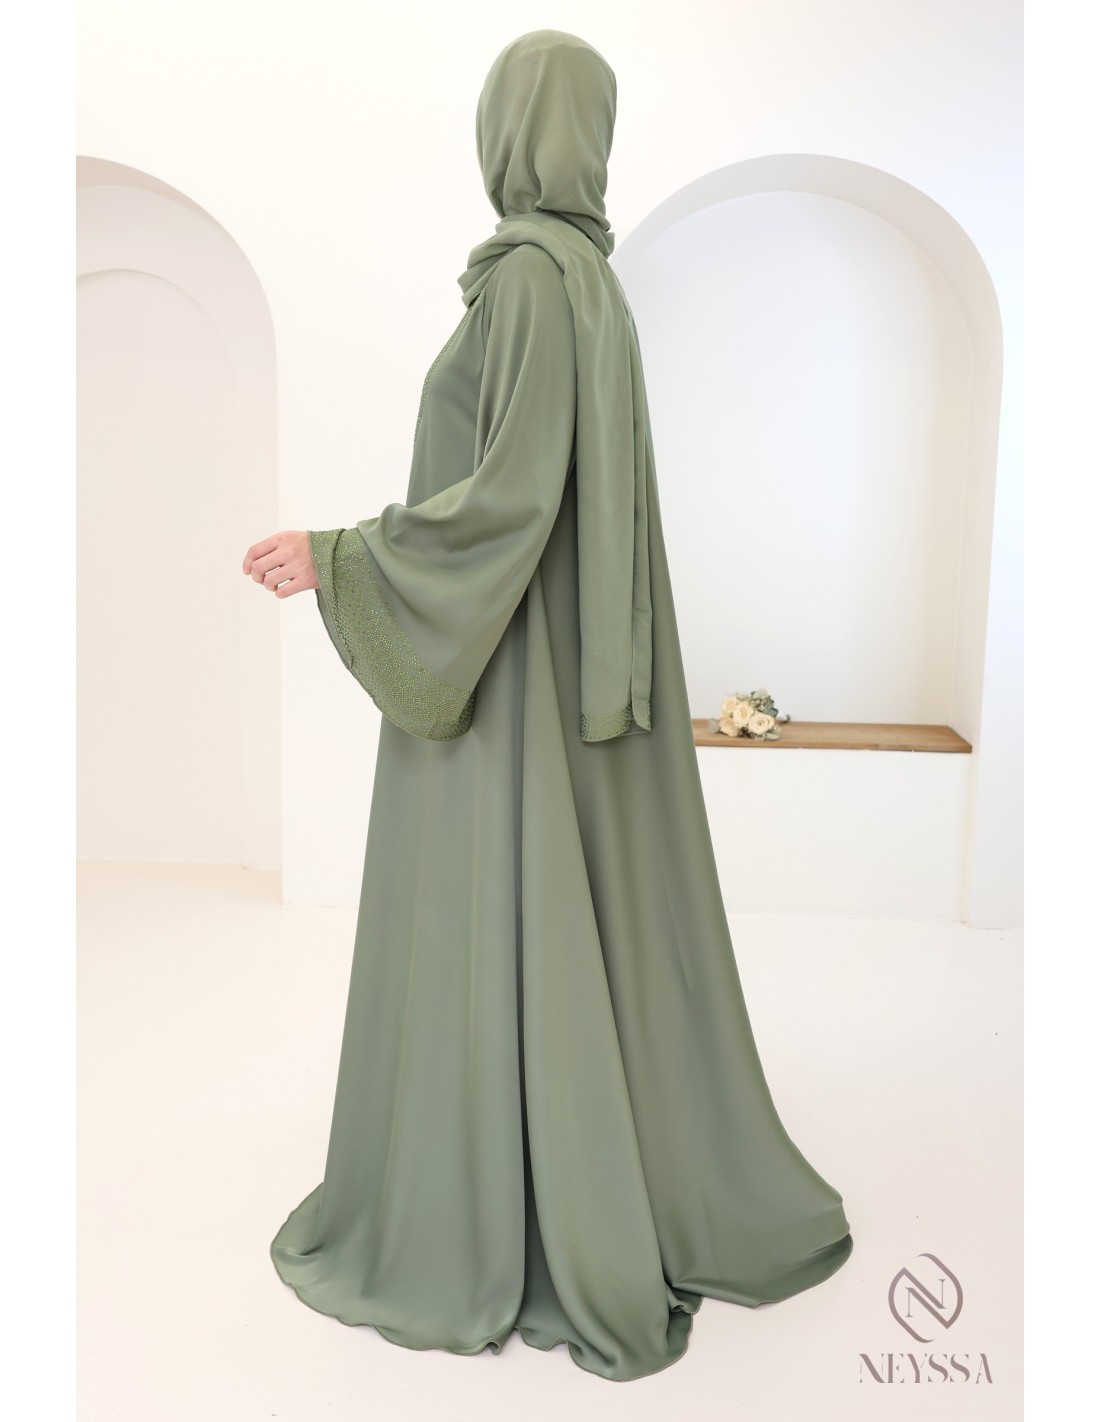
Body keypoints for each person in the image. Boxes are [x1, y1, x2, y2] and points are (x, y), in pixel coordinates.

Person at [245, 29, 853, 1384]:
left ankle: (502, 1199)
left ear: (508, 128)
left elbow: (511, 498)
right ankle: (572, 1159)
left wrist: (338, 556)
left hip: (509, 673)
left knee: (501, 906)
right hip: (559, 663)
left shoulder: (529, 275)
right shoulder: (593, 281)